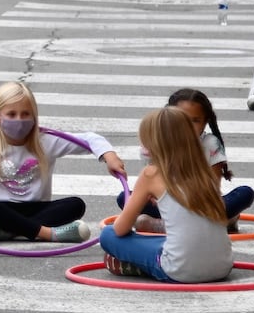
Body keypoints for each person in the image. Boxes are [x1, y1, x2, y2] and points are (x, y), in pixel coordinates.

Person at [0, 81, 126, 243]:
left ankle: (9, 231)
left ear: (34, 116)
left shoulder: (46, 141)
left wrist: (109, 155)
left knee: (75, 205)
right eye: (11, 114)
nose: (19, 119)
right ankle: (47, 234)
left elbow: (90, 139)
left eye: (25, 114)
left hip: (38, 209)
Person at [100, 107, 235, 283]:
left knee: (108, 234)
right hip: (223, 267)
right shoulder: (203, 169)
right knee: (167, 241)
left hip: (179, 270)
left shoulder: (151, 174)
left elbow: (120, 229)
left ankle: (141, 266)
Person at [119, 89, 254, 233]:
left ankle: (166, 226)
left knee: (245, 194)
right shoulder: (156, 144)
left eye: (195, 120)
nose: (187, 126)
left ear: (205, 122)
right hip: (167, 204)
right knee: (124, 198)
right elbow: (151, 185)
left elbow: (212, 189)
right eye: (181, 119)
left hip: (201, 205)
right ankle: (219, 222)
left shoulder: (210, 144)